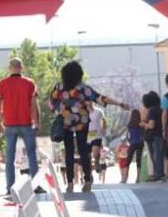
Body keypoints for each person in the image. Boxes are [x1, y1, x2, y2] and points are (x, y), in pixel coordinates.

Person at [49, 60, 128, 193]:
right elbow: (100, 98)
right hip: (82, 123)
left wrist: (60, 109)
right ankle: (87, 181)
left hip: (66, 123)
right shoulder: (83, 88)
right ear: (79, 74)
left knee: (68, 152)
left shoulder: (59, 87)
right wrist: (119, 104)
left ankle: (70, 183)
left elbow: (51, 104)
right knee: (84, 151)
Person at [0, 58, 41, 197]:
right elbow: (34, 104)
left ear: (9, 68)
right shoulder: (29, 83)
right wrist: (37, 121)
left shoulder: (1, 84)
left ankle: (10, 187)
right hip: (26, 122)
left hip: (9, 124)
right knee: (32, 155)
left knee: (9, 157)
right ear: (22, 67)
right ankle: (36, 185)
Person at [141, 91, 166, 182]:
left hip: (153, 136)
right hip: (159, 135)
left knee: (155, 156)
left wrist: (144, 124)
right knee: (158, 155)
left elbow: (151, 125)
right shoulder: (160, 109)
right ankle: (159, 174)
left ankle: (158, 174)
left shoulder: (151, 111)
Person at [122, 109, 145, 183]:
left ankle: (125, 178)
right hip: (140, 143)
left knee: (128, 160)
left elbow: (128, 135)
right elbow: (143, 134)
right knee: (139, 160)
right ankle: (138, 178)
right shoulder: (141, 124)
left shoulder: (130, 124)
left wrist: (129, 141)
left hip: (132, 143)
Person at [88, 104, 107, 184]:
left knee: (96, 153)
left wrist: (103, 129)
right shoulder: (83, 112)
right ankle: (89, 175)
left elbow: (104, 120)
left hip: (97, 135)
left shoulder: (98, 111)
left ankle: (96, 162)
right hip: (87, 136)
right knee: (87, 157)